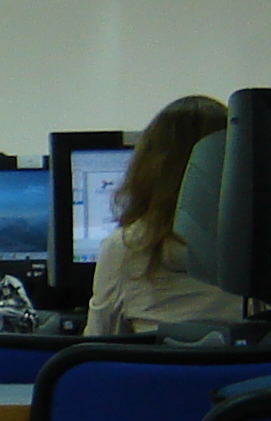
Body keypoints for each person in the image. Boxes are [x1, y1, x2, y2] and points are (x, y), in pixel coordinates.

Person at [86, 95, 242, 338]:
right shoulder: (258, 250)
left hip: (157, 376)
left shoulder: (127, 247)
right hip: (247, 375)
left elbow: (96, 347)